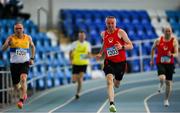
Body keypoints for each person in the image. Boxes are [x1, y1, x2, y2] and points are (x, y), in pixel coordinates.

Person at [96, 16, 133, 112]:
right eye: (109, 23)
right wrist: (100, 53)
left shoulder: (121, 32)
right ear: (106, 24)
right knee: (109, 81)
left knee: (116, 84)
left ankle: (117, 81)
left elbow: (131, 45)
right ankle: (112, 104)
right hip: (109, 61)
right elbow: (104, 44)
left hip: (121, 63)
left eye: (112, 23)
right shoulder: (103, 34)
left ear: (115, 24)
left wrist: (122, 47)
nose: (110, 25)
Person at [1, 23, 36, 109]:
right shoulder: (11, 38)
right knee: (16, 86)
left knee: (23, 79)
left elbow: (33, 47)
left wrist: (32, 58)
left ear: (23, 29)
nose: (18, 30)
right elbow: (3, 49)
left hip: (25, 63)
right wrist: (7, 44)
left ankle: (21, 100)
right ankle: (23, 91)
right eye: (16, 28)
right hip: (14, 65)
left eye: (20, 28)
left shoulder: (28, 38)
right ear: (14, 30)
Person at [150, 26, 179, 107]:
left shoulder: (174, 41)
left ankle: (166, 100)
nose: (168, 33)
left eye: (169, 31)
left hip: (170, 64)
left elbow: (177, 53)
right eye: (166, 31)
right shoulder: (158, 40)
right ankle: (161, 83)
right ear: (164, 32)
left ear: (171, 32)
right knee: (162, 77)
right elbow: (152, 49)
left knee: (169, 83)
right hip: (160, 62)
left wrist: (172, 54)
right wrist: (152, 60)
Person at [69, 30, 91, 99]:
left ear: (85, 36)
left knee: (80, 79)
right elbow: (70, 52)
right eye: (80, 36)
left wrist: (86, 57)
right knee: (74, 80)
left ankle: (78, 93)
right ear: (78, 36)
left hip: (83, 64)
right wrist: (70, 60)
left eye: (82, 36)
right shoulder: (74, 44)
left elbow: (89, 54)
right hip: (75, 63)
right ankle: (74, 80)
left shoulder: (87, 44)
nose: (81, 37)